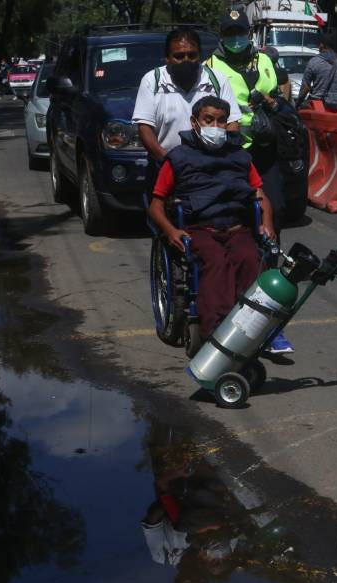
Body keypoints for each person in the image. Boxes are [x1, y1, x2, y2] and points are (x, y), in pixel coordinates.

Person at [147, 96, 275, 341]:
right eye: (209, 120)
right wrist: (171, 232)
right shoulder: (178, 158)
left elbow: (260, 195)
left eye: (221, 121)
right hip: (199, 229)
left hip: (237, 227)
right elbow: (155, 206)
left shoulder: (240, 157)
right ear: (195, 122)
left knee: (251, 260)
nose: (215, 127)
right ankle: (217, 330)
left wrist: (266, 224)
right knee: (217, 263)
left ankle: (255, 326)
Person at [206, 9, 294, 353]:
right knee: (239, 225)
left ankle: (268, 315)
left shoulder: (265, 60)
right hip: (230, 152)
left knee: (275, 219)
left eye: (239, 32)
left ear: (249, 33)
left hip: (266, 149)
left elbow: (281, 91)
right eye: (229, 33)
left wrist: (271, 102)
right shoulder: (211, 68)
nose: (235, 38)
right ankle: (235, 306)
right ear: (222, 36)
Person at [133, 28, 242, 196]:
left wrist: (219, 158)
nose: (186, 61)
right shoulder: (152, 81)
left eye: (192, 55)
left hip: (212, 169)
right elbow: (144, 128)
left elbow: (232, 123)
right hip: (166, 168)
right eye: (179, 56)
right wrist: (170, 162)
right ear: (167, 58)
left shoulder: (217, 80)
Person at [296, 30, 337, 111]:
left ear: (322, 45)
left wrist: (298, 104)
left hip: (317, 106)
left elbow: (305, 88)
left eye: (319, 44)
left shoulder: (313, 62)